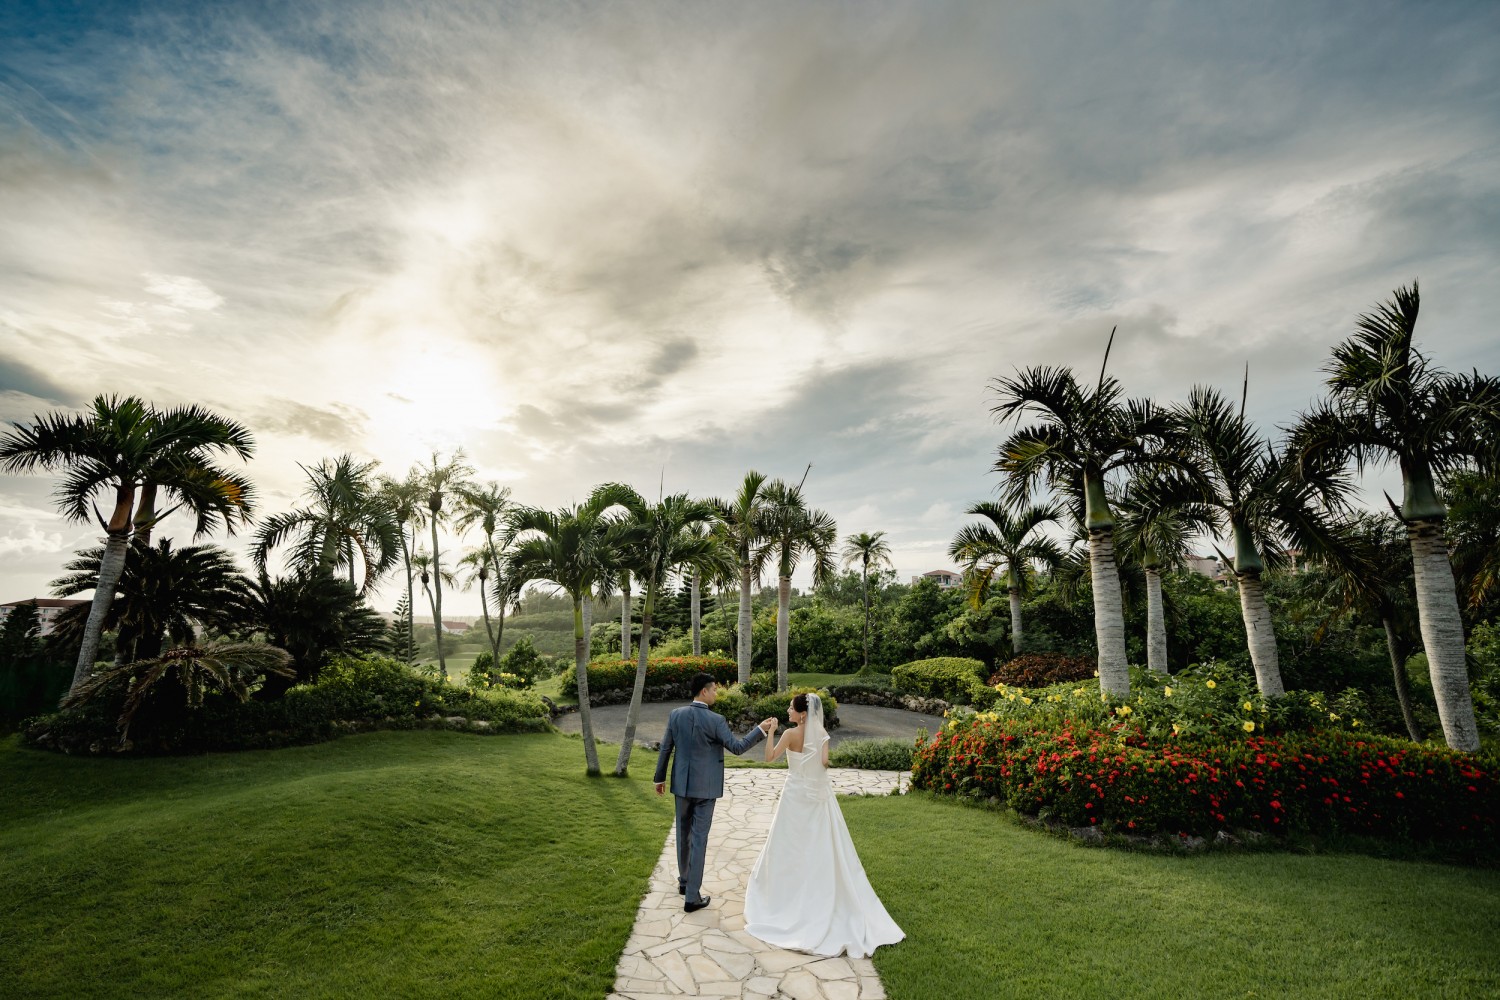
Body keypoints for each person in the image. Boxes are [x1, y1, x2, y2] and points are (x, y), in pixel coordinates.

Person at [743, 692, 905, 957]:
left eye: (791, 709)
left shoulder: (788, 735)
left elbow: (769, 758)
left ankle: (785, 898)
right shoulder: (822, 736)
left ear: (802, 713)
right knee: (820, 847)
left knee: (788, 846)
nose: (787, 711)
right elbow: (824, 763)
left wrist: (771, 731)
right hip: (817, 798)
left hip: (794, 797)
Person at [654, 672, 776, 913]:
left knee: (683, 834)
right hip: (706, 788)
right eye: (714, 690)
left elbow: (666, 748)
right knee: (699, 839)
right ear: (703, 692)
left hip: (681, 785)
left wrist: (659, 778)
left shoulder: (675, 715)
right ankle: (691, 897)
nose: (717, 694)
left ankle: (685, 881)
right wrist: (760, 730)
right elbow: (738, 748)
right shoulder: (716, 720)